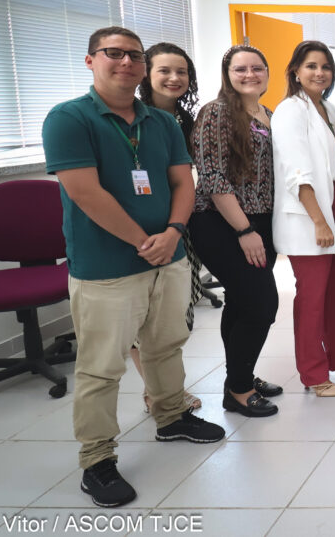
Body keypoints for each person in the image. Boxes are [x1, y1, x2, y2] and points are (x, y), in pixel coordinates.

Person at [42, 27, 224, 508]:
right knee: (101, 368)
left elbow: (183, 182)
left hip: (169, 255)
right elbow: (84, 192)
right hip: (106, 265)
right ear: (90, 60)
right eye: (114, 54)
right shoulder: (69, 118)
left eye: (134, 56)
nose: (126, 63)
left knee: (167, 345)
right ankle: (97, 459)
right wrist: (145, 240)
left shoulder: (160, 123)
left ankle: (171, 418)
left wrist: (173, 232)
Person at [190, 45, 283, 418]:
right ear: (227, 73)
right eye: (240, 68)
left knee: (242, 302)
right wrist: (244, 229)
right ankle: (239, 390)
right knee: (263, 304)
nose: (250, 74)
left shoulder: (269, 114)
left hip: (261, 221)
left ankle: (239, 376)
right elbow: (212, 176)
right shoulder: (216, 113)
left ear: (267, 72)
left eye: (257, 68)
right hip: (223, 221)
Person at [272, 40, 335, 398]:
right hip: (311, 212)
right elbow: (297, 172)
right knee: (312, 297)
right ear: (295, 70)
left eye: (325, 66)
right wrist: (320, 221)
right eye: (311, 65)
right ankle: (312, 373)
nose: (319, 72)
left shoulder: (328, 107)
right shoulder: (290, 110)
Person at [132, 42, 203, 411]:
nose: (174, 78)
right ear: (146, 73)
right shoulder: (132, 116)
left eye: (182, 72)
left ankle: (162, 388)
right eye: (164, 70)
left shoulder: (186, 120)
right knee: (143, 314)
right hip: (141, 223)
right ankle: (155, 393)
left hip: (181, 221)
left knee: (176, 313)